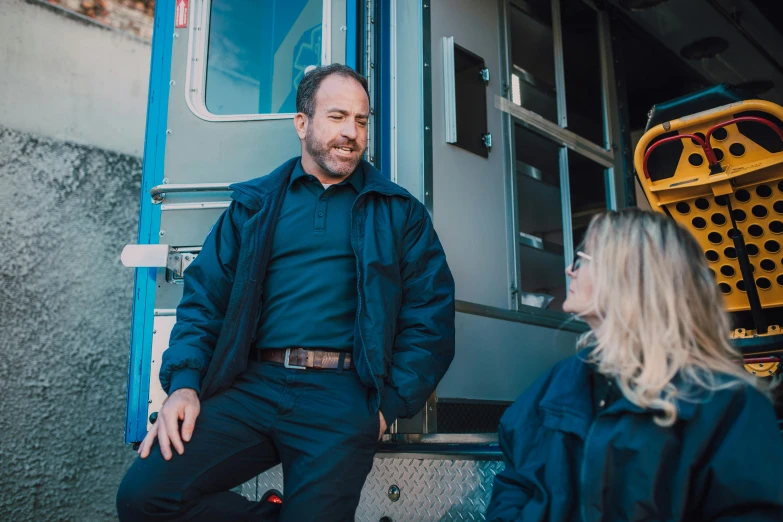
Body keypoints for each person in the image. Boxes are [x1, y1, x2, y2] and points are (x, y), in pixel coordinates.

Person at [116, 63, 455, 521]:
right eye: (337, 117)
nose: (351, 132)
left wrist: (385, 408)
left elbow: (430, 319)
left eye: (361, 120)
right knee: (144, 498)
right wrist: (183, 385)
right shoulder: (254, 206)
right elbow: (204, 301)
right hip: (253, 387)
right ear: (302, 123)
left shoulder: (399, 213)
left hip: (341, 398)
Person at [486, 209, 783, 522]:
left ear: (627, 276)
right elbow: (515, 478)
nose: (569, 270)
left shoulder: (726, 405)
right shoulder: (558, 382)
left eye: (582, 260)